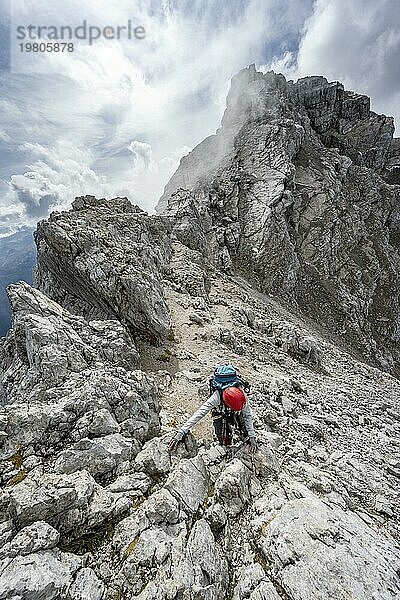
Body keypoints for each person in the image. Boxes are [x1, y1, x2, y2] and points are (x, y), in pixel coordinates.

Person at [168, 381, 257, 453]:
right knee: (223, 436)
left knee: (243, 425)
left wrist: (252, 436)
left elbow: (247, 415)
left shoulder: (242, 396)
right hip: (220, 411)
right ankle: (225, 447)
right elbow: (199, 413)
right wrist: (182, 431)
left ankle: (246, 439)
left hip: (235, 407)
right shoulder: (216, 397)